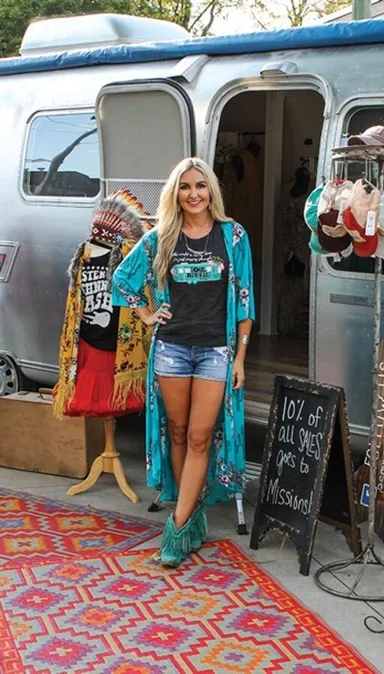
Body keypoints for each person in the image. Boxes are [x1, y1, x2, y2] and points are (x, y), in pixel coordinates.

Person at [112, 157, 255, 568]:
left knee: (199, 437)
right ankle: (192, 515)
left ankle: (174, 531)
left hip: (216, 351)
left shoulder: (233, 236)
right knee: (176, 432)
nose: (194, 194)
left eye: (201, 186)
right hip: (171, 349)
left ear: (212, 190)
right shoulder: (162, 238)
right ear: (176, 193)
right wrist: (146, 313)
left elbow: (244, 300)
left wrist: (241, 357)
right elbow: (123, 277)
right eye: (186, 187)